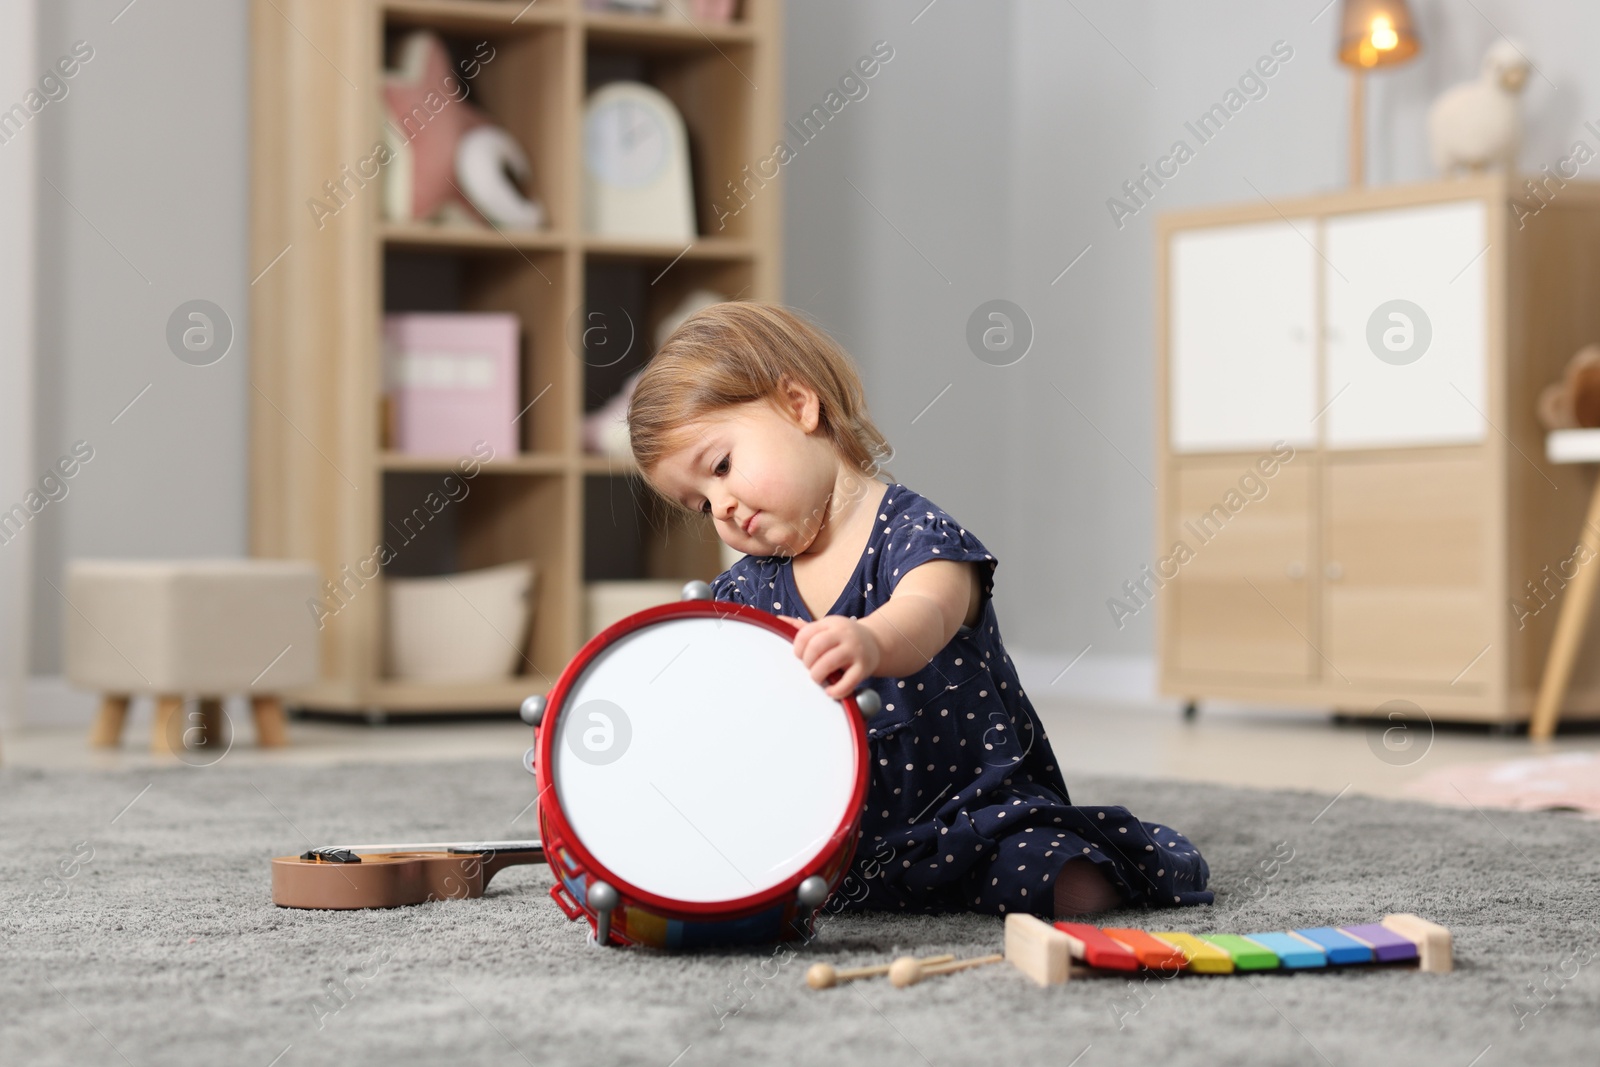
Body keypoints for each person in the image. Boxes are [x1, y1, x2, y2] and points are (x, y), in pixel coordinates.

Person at [627, 302, 1211, 917]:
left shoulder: (914, 532)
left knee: (1047, 877)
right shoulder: (743, 591)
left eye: (721, 467)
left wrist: (871, 642)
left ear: (799, 405)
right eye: (698, 505)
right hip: (838, 836)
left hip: (971, 815)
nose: (720, 507)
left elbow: (929, 612)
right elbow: (699, 694)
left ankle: (1128, 865)